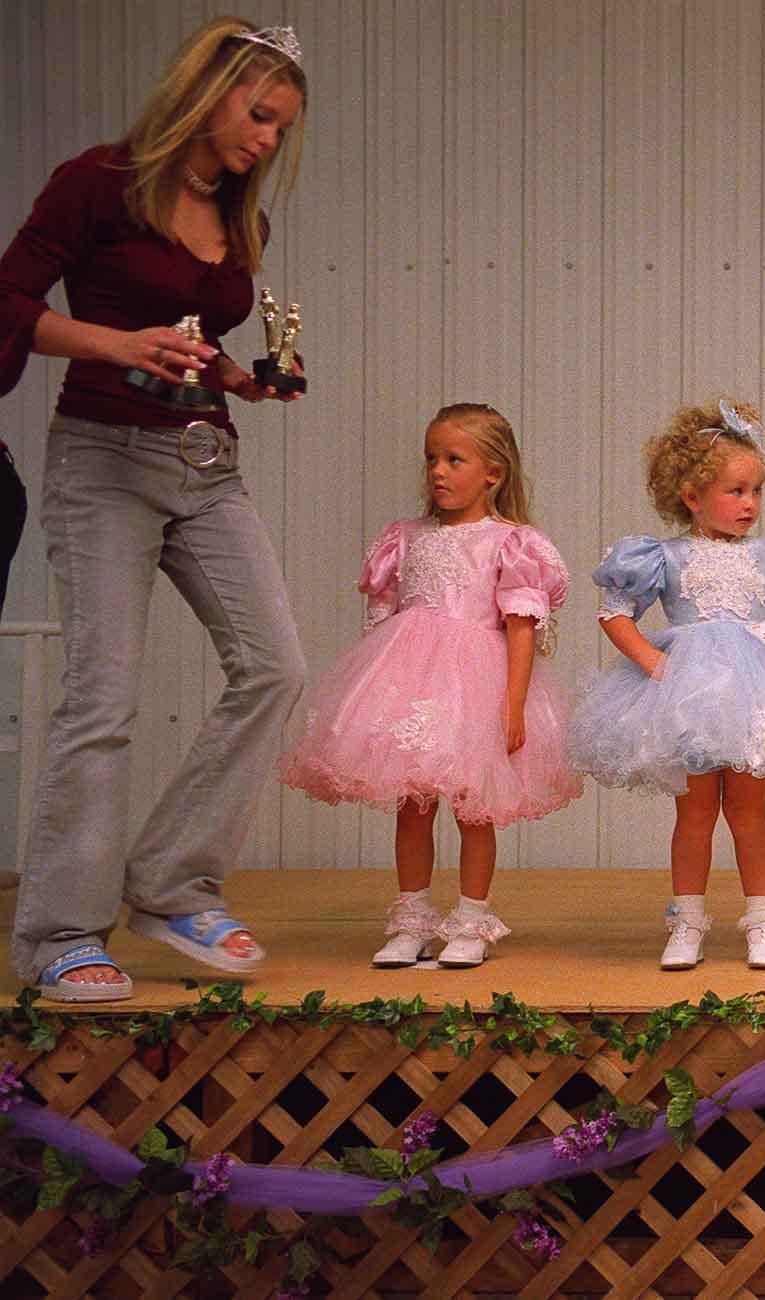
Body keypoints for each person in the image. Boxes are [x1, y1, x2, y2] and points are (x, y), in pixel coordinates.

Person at [0, 18, 310, 1000]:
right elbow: (10, 303)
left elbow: (191, 338)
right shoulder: (96, 181)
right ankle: (59, 934)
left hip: (206, 459)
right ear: (207, 92)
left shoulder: (239, 214)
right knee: (104, 695)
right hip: (102, 461)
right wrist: (113, 343)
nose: (266, 139)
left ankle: (173, 883)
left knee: (275, 666)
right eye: (258, 115)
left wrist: (237, 377)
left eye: (281, 128)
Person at [280, 404, 581, 968]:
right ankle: (413, 916)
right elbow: (384, 621)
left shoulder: (510, 543)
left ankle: (470, 917)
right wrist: (374, 692)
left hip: (478, 684)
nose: (438, 471)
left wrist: (512, 704)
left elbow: (521, 628)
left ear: (493, 473)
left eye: (454, 459)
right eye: (431, 459)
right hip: (411, 682)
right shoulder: (406, 537)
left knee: (474, 807)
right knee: (413, 804)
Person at [566, 398, 765, 971]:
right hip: (689, 696)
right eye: (734, 491)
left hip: (757, 693)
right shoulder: (664, 556)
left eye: (755, 491)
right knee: (694, 814)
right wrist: (653, 663)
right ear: (692, 495)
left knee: (750, 812)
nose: (749, 504)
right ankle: (688, 919)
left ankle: (761, 918)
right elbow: (615, 611)